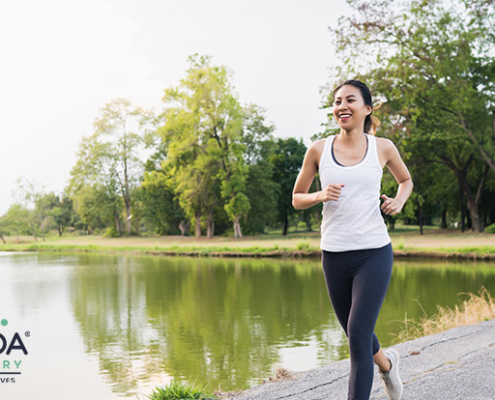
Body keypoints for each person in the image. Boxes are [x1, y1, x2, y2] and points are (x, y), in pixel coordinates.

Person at [292, 79, 413, 400]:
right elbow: (296, 197)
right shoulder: (318, 149)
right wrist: (319, 194)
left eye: (350, 100)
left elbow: (405, 180)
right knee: (354, 331)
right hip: (333, 255)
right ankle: (388, 364)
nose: (341, 106)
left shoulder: (383, 147)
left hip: (374, 252)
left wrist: (398, 201)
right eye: (337, 101)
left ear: (367, 109)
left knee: (357, 338)